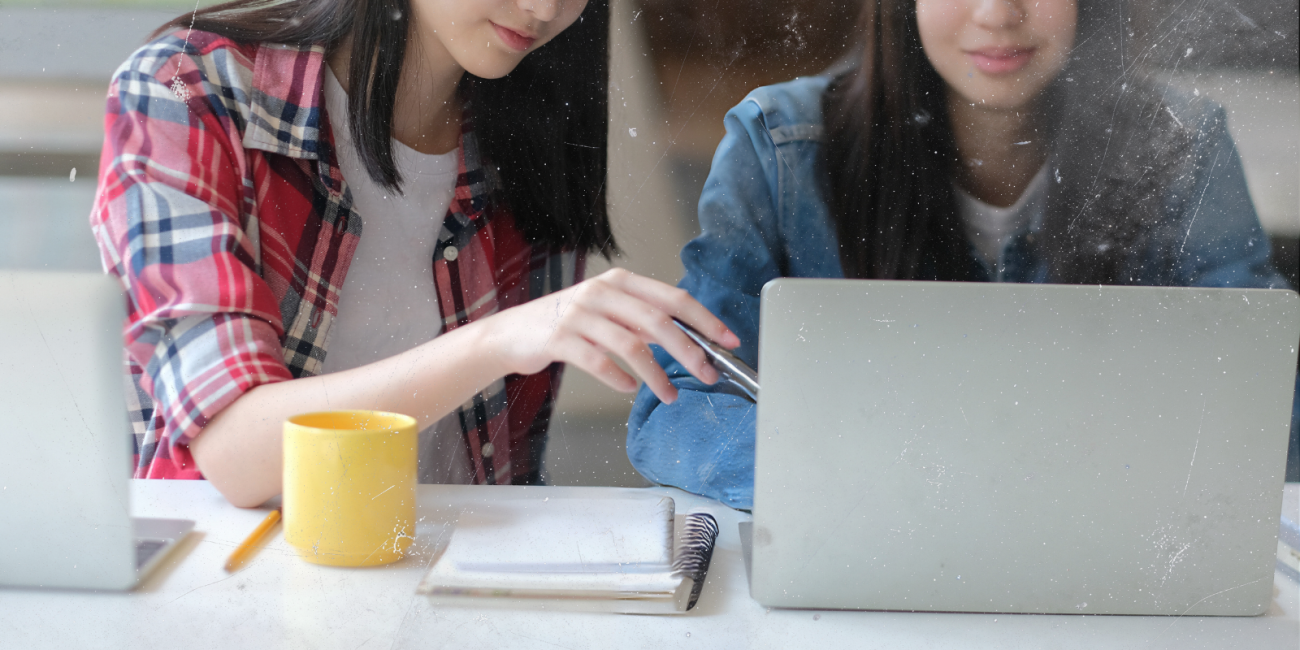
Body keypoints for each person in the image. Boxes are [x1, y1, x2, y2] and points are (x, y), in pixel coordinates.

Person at [627, 0, 1295, 510]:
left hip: (1095, 551)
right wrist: (865, 483)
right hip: (871, 543)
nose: (998, 14)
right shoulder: (779, 146)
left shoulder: (1183, 144)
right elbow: (679, 398)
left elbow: (1266, 395)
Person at [90, 0, 739, 508]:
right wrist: (501, 339)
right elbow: (235, 450)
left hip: (455, 583)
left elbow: (505, 482)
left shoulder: (526, 131)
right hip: (235, 586)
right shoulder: (188, 91)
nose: (543, 8)